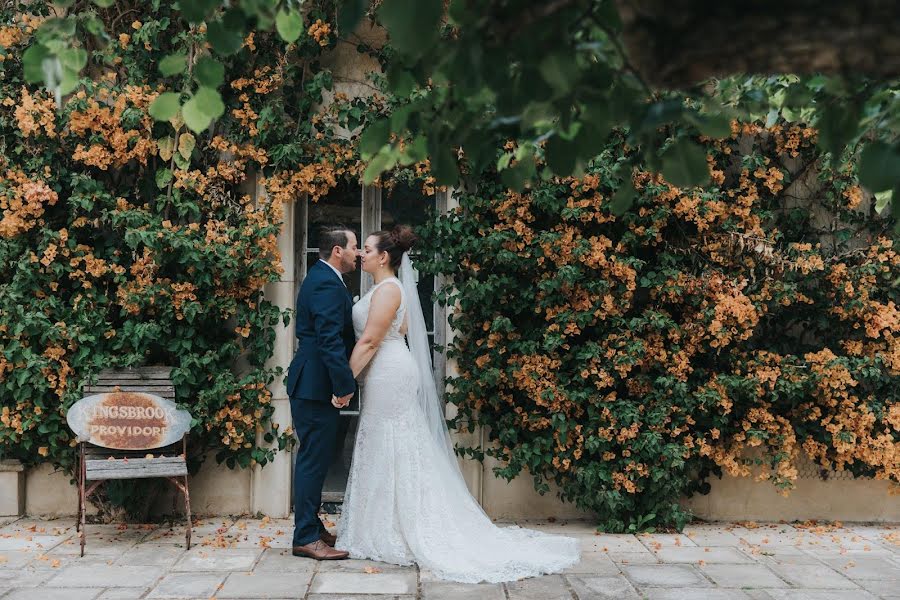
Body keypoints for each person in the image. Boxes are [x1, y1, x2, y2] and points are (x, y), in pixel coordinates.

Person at [336, 224, 581, 583]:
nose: (361, 255)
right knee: (385, 441)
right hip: (386, 372)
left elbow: (372, 341)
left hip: (388, 373)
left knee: (393, 441)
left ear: (384, 257)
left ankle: (402, 526)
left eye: (367, 251)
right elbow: (400, 331)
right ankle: (382, 524)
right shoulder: (385, 289)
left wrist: (344, 384)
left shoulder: (389, 289)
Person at [286, 226, 358, 560]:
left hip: (312, 382)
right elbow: (330, 340)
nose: (357, 253)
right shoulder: (327, 282)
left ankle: (311, 529)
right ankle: (304, 537)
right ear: (337, 251)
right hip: (316, 385)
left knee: (314, 458)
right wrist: (345, 386)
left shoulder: (323, 277)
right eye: (354, 247)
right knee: (312, 462)